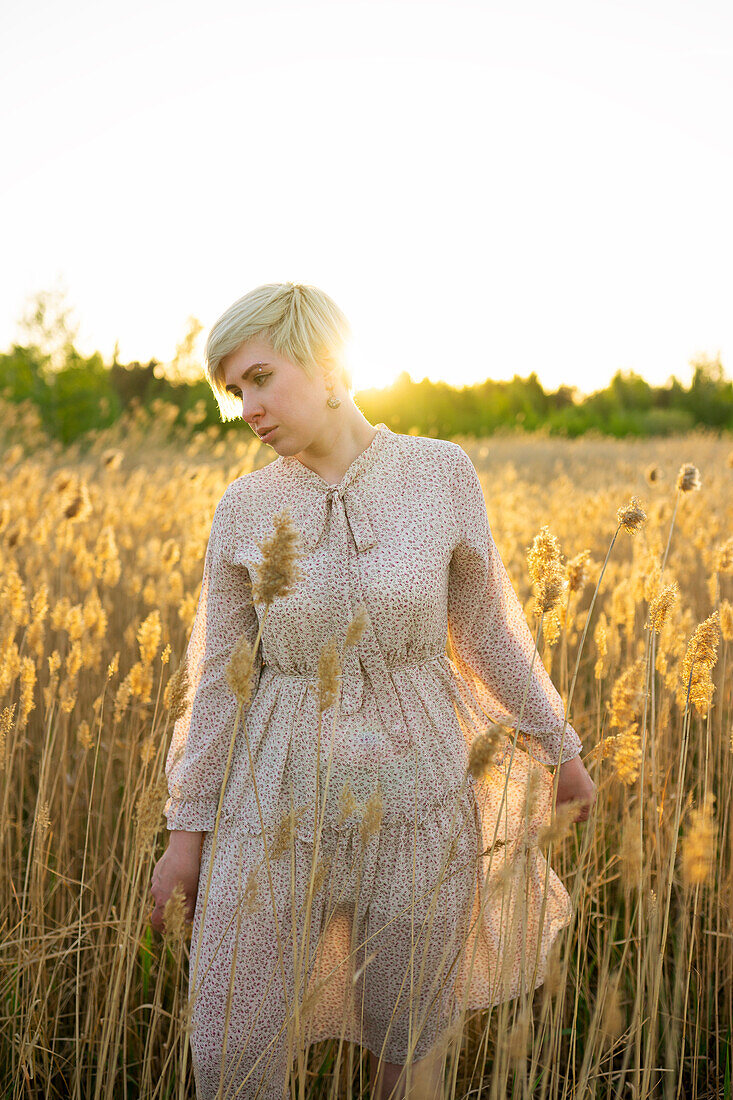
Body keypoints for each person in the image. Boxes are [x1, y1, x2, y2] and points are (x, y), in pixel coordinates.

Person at [149, 282, 596, 1100]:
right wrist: (188, 831)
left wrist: (557, 745)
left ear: (325, 363)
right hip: (272, 792)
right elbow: (217, 680)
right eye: (232, 391)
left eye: (257, 378)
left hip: (419, 786)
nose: (245, 407)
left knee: (408, 1035)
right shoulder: (243, 506)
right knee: (227, 1050)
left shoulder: (439, 474)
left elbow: (487, 629)